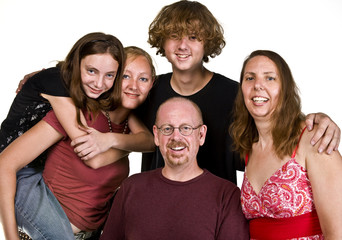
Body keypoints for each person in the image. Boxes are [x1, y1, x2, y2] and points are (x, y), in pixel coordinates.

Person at [137, 0, 341, 184]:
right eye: (174, 36)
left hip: (217, 212)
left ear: (206, 42)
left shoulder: (236, 94)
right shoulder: (148, 90)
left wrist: (318, 121)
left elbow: (277, 132)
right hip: (156, 205)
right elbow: (116, 121)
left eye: (193, 37)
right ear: (162, 41)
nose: (183, 45)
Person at [0, 36, 155, 239]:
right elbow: (6, 163)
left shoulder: (131, 125)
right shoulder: (74, 111)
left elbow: (151, 142)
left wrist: (111, 140)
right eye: (126, 76)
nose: (134, 85)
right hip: (47, 226)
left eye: (143, 79)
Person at [100, 97, 249, 240]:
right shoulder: (130, 188)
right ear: (156, 135)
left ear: (201, 135)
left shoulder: (226, 195)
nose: (176, 137)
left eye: (186, 128)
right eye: (167, 128)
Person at [230, 50, 342, 239]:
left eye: (270, 78)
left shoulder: (313, 138)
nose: (258, 85)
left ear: (285, 89)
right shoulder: (249, 147)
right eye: (250, 78)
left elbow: (338, 232)